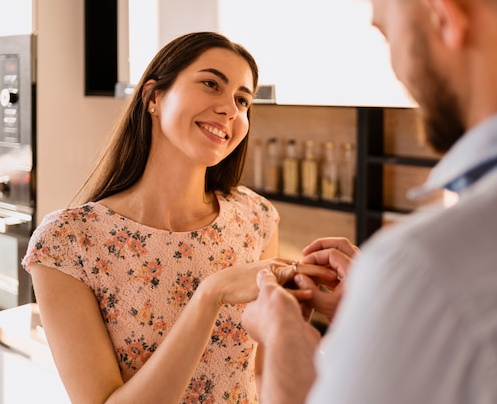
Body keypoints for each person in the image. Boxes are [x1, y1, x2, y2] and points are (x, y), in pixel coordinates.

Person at [242, 0, 497, 402]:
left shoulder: (429, 270)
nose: (396, 68)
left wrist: (285, 343)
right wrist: (386, 317)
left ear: (442, 13)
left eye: (386, 34)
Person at [22, 31, 335, 404]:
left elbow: (263, 374)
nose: (231, 109)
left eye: (242, 100)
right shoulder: (68, 243)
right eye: (210, 84)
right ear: (154, 97)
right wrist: (210, 295)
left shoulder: (256, 219)